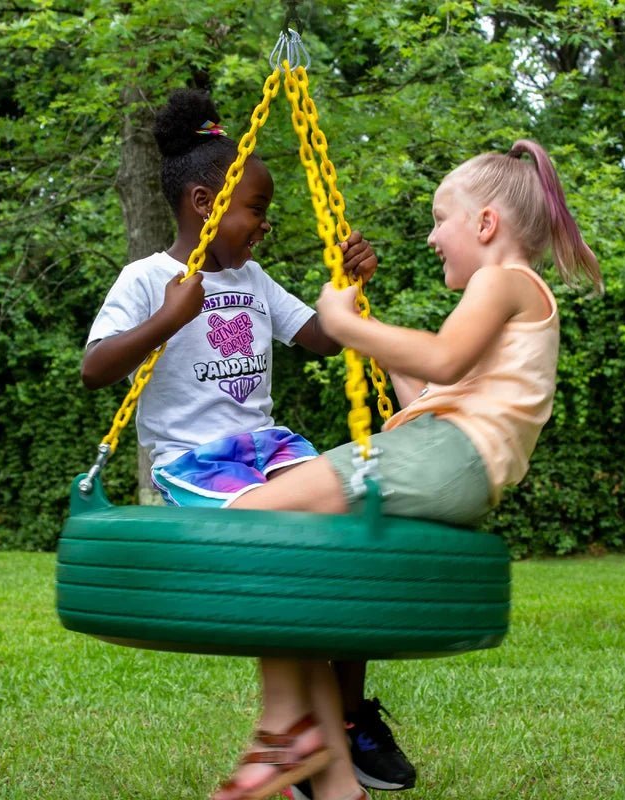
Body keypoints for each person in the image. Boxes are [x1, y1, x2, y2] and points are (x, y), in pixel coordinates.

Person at [213, 139, 602, 800]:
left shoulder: (503, 281)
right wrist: (363, 315)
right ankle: (333, 779)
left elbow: (444, 361)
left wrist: (339, 319)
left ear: (486, 224)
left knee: (250, 519)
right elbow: (427, 399)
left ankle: (289, 730)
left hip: (450, 458)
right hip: (450, 460)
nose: (430, 237)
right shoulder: (509, 297)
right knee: (295, 547)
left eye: (439, 219)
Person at [80, 88, 414, 794]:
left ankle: (346, 722)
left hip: (268, 447)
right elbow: (95, 368)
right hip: (193, 466)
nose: (263, 225)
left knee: (356, 515)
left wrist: (345, 287)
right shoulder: (147, 280)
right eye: (255, 209)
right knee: (280, 538)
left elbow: (320, 337)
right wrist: (167, 320)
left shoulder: (255, 279)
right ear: (205, 202)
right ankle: (299, 733)